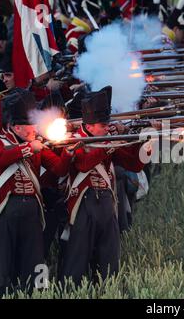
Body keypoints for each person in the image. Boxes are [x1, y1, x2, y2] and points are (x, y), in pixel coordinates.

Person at [0, 88, 76, 298]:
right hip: (5, 208)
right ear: (16, 127)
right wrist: (27, 149)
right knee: (1, 261)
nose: (36, 127)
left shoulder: (36, 144)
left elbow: (59, 169)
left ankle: (35, 293)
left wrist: (68, 153)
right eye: (31, 124)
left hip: (32, 209)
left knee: (34, 259)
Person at [61, 86, 146, 285]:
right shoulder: (73, 141)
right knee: (77, 261)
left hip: (107, 203)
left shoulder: (107, 140)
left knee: (109, 260)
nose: (107, 128)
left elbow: (134, 164)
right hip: (83, 203)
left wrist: (137, 141)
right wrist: (110, 145)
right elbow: (83, 164)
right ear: (89, 126)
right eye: (103, 125)